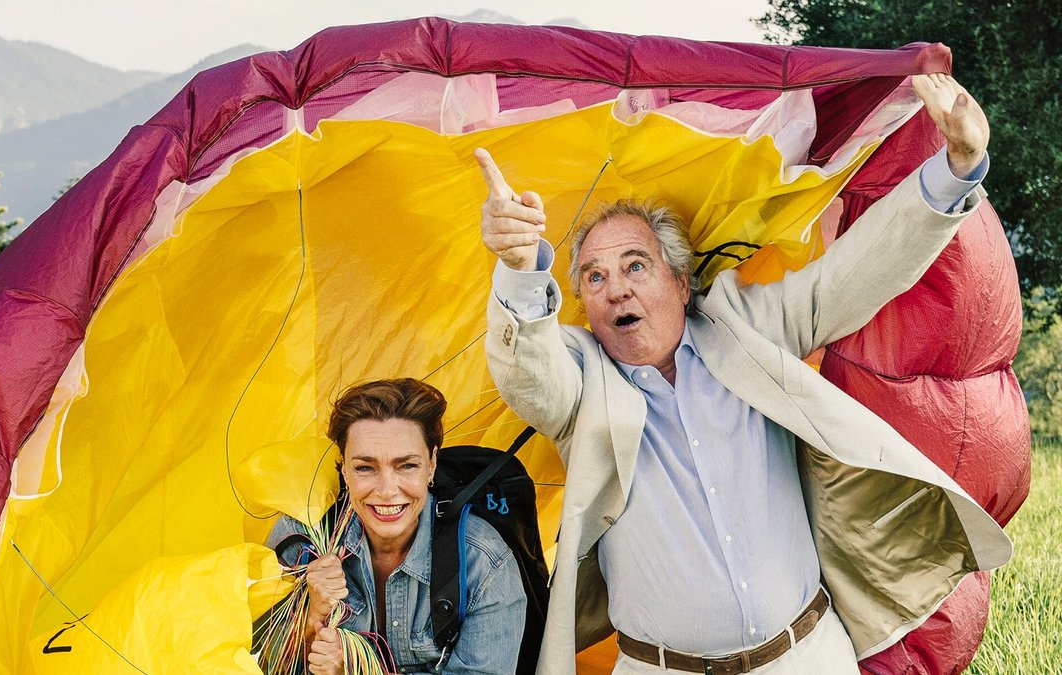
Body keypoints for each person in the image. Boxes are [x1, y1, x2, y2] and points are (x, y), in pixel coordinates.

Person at [477, 73, 1012, 674]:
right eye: (594, 278)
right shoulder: (580, 378)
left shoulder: (747, 328)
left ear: (681, 283)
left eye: (635, 265)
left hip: (807, 656)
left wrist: (957, 168)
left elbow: (855, 273)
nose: (615, 288)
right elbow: (530, 373)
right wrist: (522, 271)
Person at [265, 378, 527, 675]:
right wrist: (311, 619)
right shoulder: (300, 541)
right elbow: (250, 660)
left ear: (431, 464)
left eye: (407, 466)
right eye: (365, 467)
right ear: (343, 468)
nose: (387, 490)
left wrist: (355, 668)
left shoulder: (484, 563)